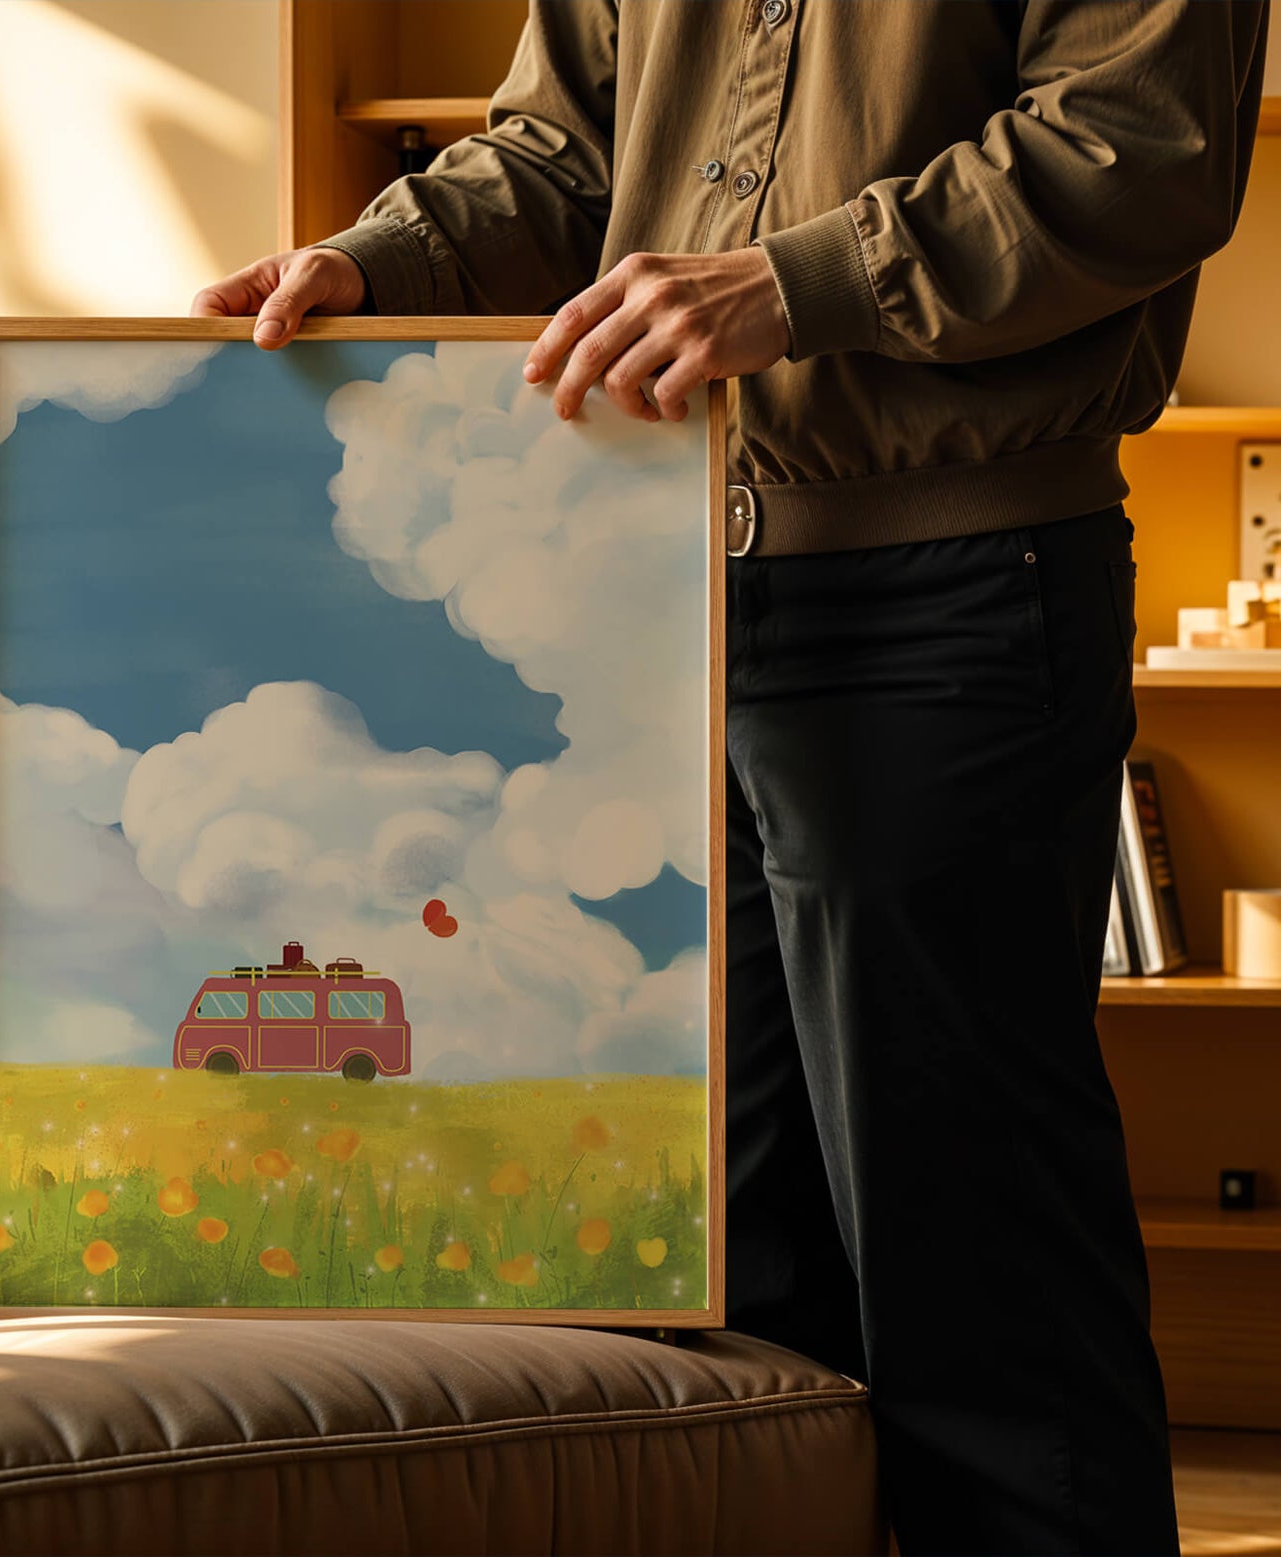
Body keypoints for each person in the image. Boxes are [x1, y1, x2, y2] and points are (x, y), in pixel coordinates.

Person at [193, 2, 1270, 1550]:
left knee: (964, 1249)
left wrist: (790, 284)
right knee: (705, 1263)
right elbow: (559, 149)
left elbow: (1135, 152)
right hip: (657, 581)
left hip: (950, 590)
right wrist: (381, 260)